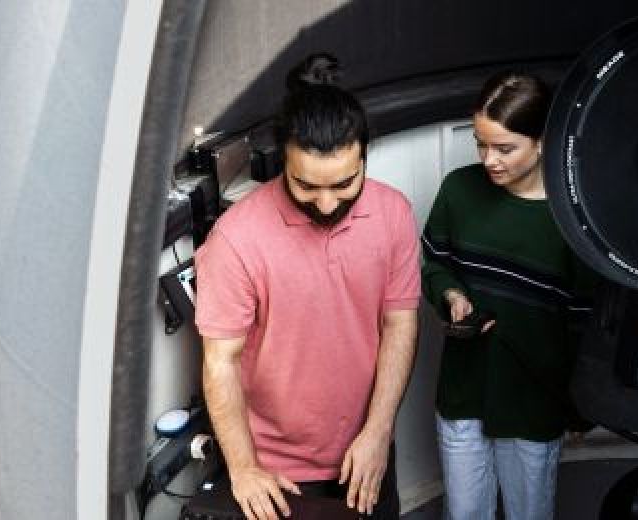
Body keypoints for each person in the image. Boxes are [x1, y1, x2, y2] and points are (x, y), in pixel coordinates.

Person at [195, 53, 419, 520]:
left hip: (367, 450)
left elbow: (399, 323)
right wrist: (243, 468)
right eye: (307, 186)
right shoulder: (235, 239)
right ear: (283, 161)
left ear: (363, 157)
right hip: (278, 470)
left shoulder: (394, 212)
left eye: (344, 184)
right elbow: (221, 361)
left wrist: (379, 431)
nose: (326, 202)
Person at [422, 71, 595, 520]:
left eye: (504, 148)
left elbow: (586, 323)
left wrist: (579, 409)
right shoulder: (458, 190)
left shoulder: (574, 219)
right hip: (463, 391)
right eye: (480, 144)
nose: (489, 160)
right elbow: (433, 264)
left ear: (542, 141)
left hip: (534, 403)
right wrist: (451, 293)